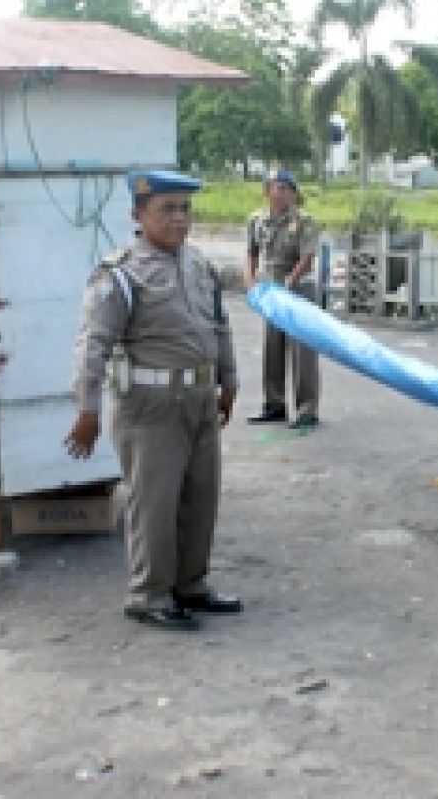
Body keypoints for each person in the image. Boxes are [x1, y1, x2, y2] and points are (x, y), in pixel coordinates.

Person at [66, 170, 241, 631]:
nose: (180, 219)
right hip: (150, 407)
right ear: (139, 215)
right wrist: (86, 409)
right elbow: (93, 344)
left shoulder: (198, 265)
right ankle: (148, 594)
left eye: (185, 209)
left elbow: (219, 325)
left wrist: (229, 380)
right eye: (168, 210)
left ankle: (191, 585)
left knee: (200, 501)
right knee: (155, 505)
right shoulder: (120, 274)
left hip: (200, 400)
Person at [245, 168, 323, 430]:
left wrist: (290, 282)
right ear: (267, 191)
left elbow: (307, 257)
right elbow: (251, 252)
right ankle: (274, 404)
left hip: (298, 290)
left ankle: (307, 409)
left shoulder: (304, 221)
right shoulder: (257, 220)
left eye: (287, 188)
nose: (282, 193)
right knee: (272, 348)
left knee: (303, 351)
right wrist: (250, 280)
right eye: (277, 187)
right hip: (270, 290)